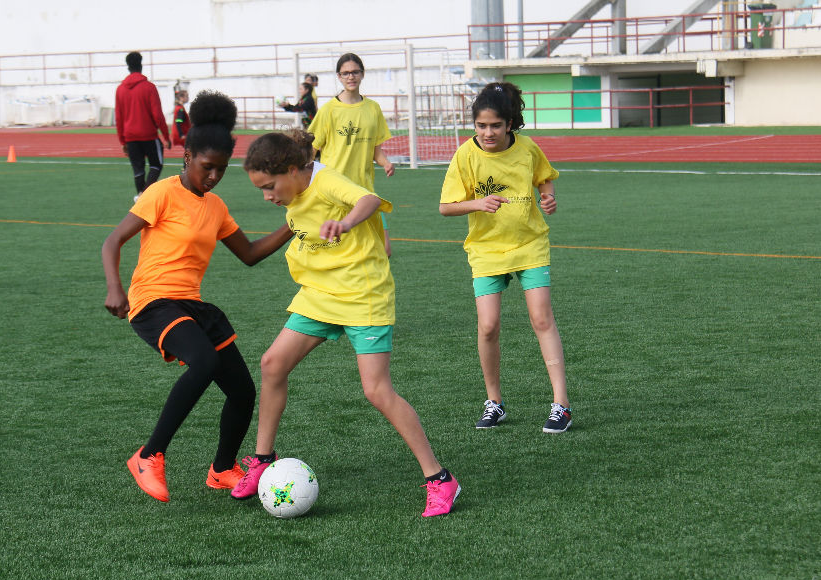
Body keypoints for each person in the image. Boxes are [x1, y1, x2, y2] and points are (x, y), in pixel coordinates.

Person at [232, 129, 460, 518]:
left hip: (362, 296)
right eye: (261, 190)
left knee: (376, 390)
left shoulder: (325, 180)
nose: (268, 196)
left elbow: (368, 198)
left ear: (291, 170)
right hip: (320, 295)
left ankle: (440, 480)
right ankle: (262, 460)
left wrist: (350, 222)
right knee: (272, 364)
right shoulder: (294, 190)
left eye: (270, 186)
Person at [101, 90, 294, 503]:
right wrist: (115, 287)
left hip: (192, 304)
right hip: (153, 302)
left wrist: (293, 224)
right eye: (208, 167)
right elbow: (113, 241)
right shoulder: (162, 193)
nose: (213, 177)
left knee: (243, 391)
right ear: (186, 155)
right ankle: (148, 455)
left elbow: (250, 254)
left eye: (222, 170)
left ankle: (222, 468)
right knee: (204, 362)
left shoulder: (216, 206)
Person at [438, 82, 571, 435]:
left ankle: (561, 404)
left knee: (542, 318)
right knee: (488, 326)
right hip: (486, 251)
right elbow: (446, 207)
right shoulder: (465, 155)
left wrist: (549, 198)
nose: (487, 132)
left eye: (495, 125)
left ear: (510, 124)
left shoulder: (527, 149)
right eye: (481, 126)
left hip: (530, 245)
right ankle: (494, 402)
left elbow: (545, 180)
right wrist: (477, 203)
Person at [307, 53, 395, 256]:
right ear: (339, 76)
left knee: (385, 250)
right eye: (345, 73)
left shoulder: (373, 108)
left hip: (364, 190)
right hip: (335, 190)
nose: (350, 77)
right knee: (339, 251)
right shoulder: (329, 110)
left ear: (362, 74)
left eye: (355, 72)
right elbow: (311, 150)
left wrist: (386, 163)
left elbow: (376, 151)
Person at [115, 51, 171, 201]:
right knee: (156, 165)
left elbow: (118, 118)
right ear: (141, 65)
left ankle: (141, 198)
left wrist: (123, 141)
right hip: (148, 135)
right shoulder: (149, 87)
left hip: (130, 137)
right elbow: (157, 115)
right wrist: (166, 136)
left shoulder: (120, 90)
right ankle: (144, 196)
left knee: (138, 169)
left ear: (128, 66)